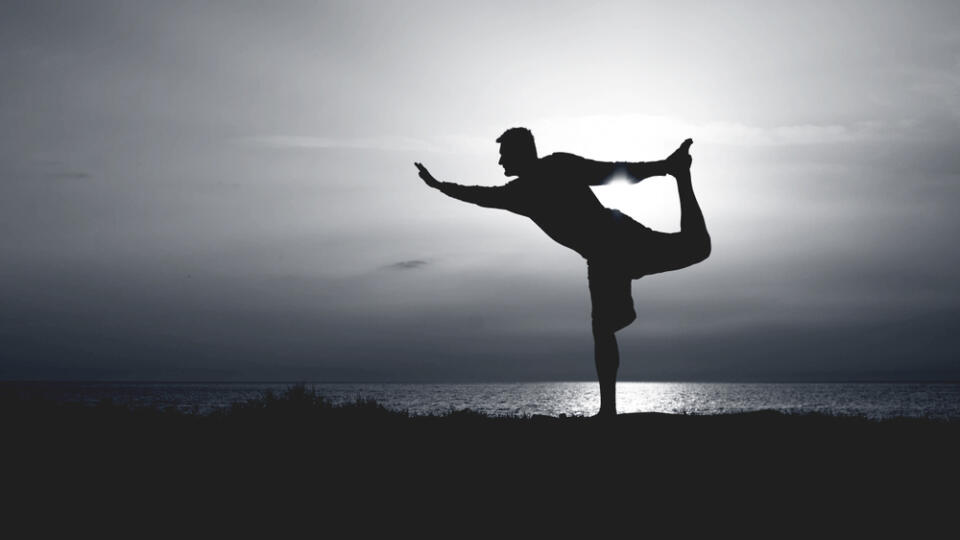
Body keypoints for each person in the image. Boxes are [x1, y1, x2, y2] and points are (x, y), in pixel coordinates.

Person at [415, 127, 710, 417]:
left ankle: (682, 174)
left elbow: (613, 172)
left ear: (520, 153)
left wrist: (665, 167)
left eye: (504, 155)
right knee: (603, 327)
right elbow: (479, 195)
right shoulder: (519, 193)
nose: (500, 162)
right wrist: (440, 186)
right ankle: (608, 409)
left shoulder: (558, 166)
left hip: (618, 238)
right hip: (601, 258)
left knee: (697, 249)